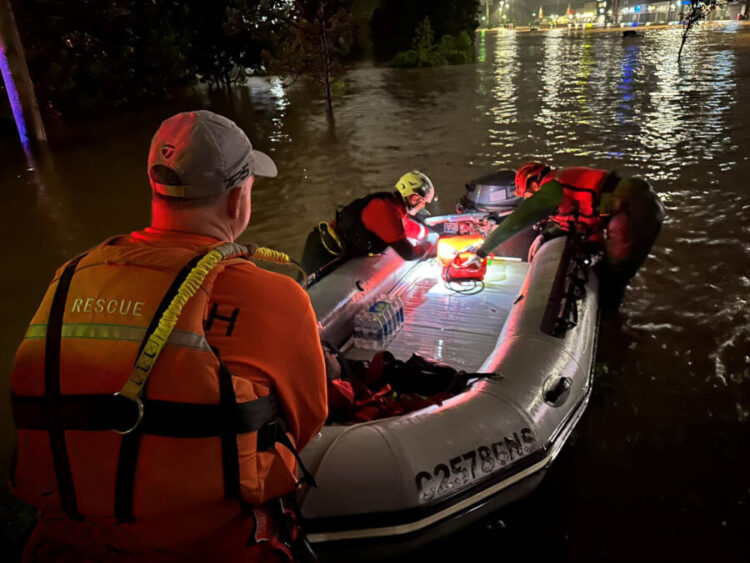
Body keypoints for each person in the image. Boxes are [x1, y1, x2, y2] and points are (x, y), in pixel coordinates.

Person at [10, 110, 328, 562]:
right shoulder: (275, 296)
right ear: (238, 200)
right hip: (209, 548)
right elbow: (307, 423)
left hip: (61, 549)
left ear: (155, 186)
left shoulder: (67, 280)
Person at [469, 161, 664, 311]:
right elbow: (581, 219)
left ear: (532, 186)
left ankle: (610, 326)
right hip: (641, 201)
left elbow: (517, 221)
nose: (528, 200)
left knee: (615, 276)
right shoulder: (563, 179)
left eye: (527, 195)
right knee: (611, 270)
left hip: (632, 208)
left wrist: (481, 253)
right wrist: (546, 237)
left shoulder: (551, 189)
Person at [300, 170, 439, 275]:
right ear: (415, 198)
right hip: (323, 252)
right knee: (305, 291)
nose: (424, 207)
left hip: (333, 247)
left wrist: (430, 232)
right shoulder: (385, 211)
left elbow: (406, 226)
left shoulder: (390, 205)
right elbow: (409, 253)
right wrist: (431, 246)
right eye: (424, 203)